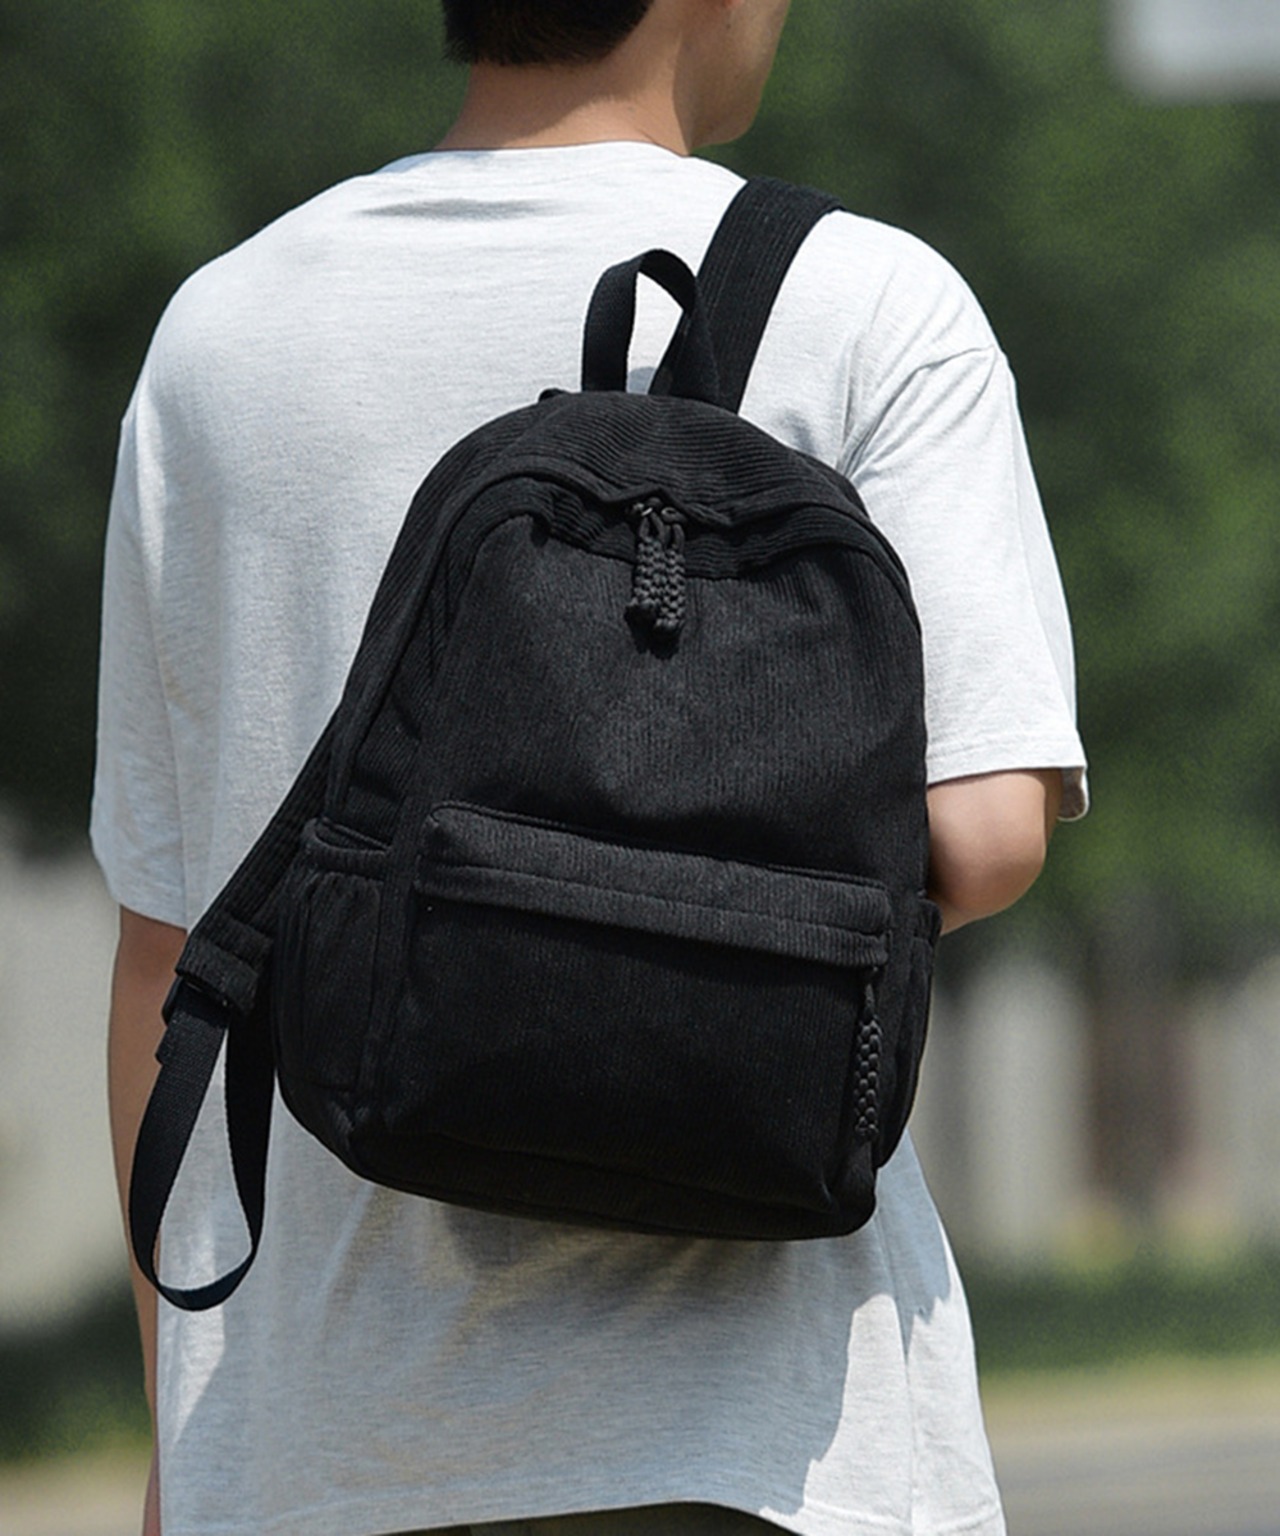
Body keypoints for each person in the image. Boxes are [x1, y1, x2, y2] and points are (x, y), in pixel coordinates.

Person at [95, 1, 1087, 1533]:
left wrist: (182, 1430)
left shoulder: (221, 331)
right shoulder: (867, 302)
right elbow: (987, 832)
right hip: (749, 1437)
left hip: (314, 1439)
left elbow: (168, 951)